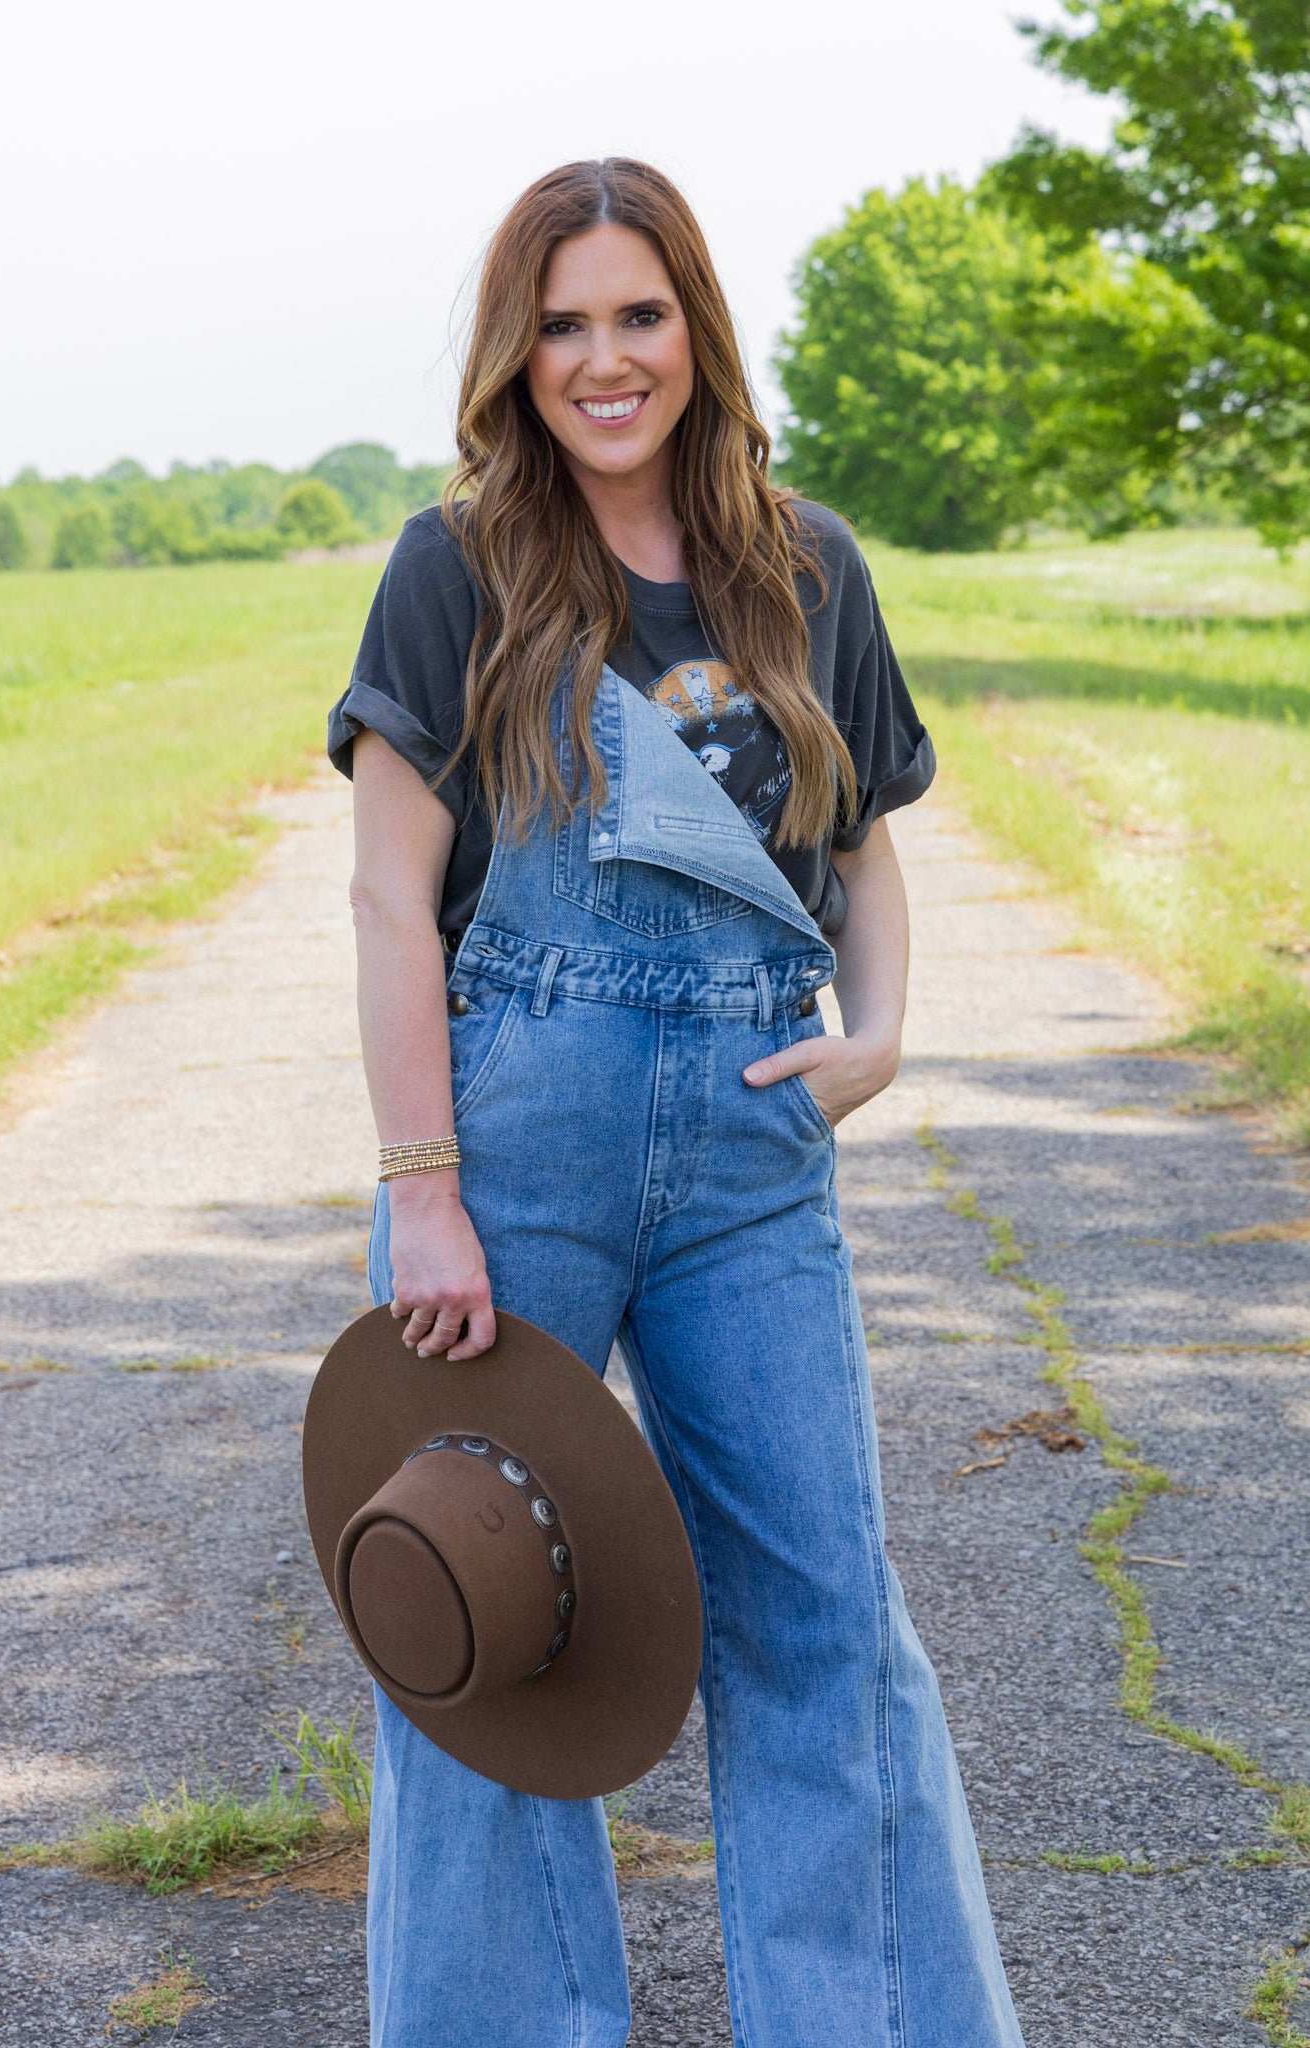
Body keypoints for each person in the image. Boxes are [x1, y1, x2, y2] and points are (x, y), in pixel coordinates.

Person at [328, 157, 1023, 2048]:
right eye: (561, 324)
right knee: (483, 1640)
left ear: (696, 332)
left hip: (744, 1160)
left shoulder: (807, 565)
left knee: (823, 1628)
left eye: (638, 315)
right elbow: (396, 895)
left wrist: (874, 1035)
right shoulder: (455, 565)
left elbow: (861, 842)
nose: (602, 357)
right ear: (516, 353)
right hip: (512, 1138)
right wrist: (423, 1186)